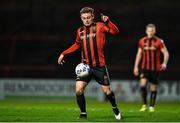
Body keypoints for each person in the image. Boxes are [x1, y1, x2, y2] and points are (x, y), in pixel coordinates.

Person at [58, 7, 121, 120]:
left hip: (99, 66)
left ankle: (115, 107)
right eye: (84, 18)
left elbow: (115, 32)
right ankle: (83, 114)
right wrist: (64, 53)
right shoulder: (80, 31)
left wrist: (108, 21)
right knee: (78, 90)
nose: (86, 20)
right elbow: (77, 44)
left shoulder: (100, 26)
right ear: (81, 19)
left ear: (92, 17)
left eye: (88, 17)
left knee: (107, 92)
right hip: (85, 67)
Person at [133, 24, 169, 112]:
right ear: (146, 31)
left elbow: (166, 53)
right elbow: (139, 54)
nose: (150, 32)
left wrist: (164, 63)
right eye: (149, 30)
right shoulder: (142, 41)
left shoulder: (159, 41)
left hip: (155, 68)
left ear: (155, 31)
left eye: (152, 30)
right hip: (144, 68)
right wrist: (136, 67)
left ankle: (152, 106)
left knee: (153, 88)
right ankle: (144, 105)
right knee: (142, 85)